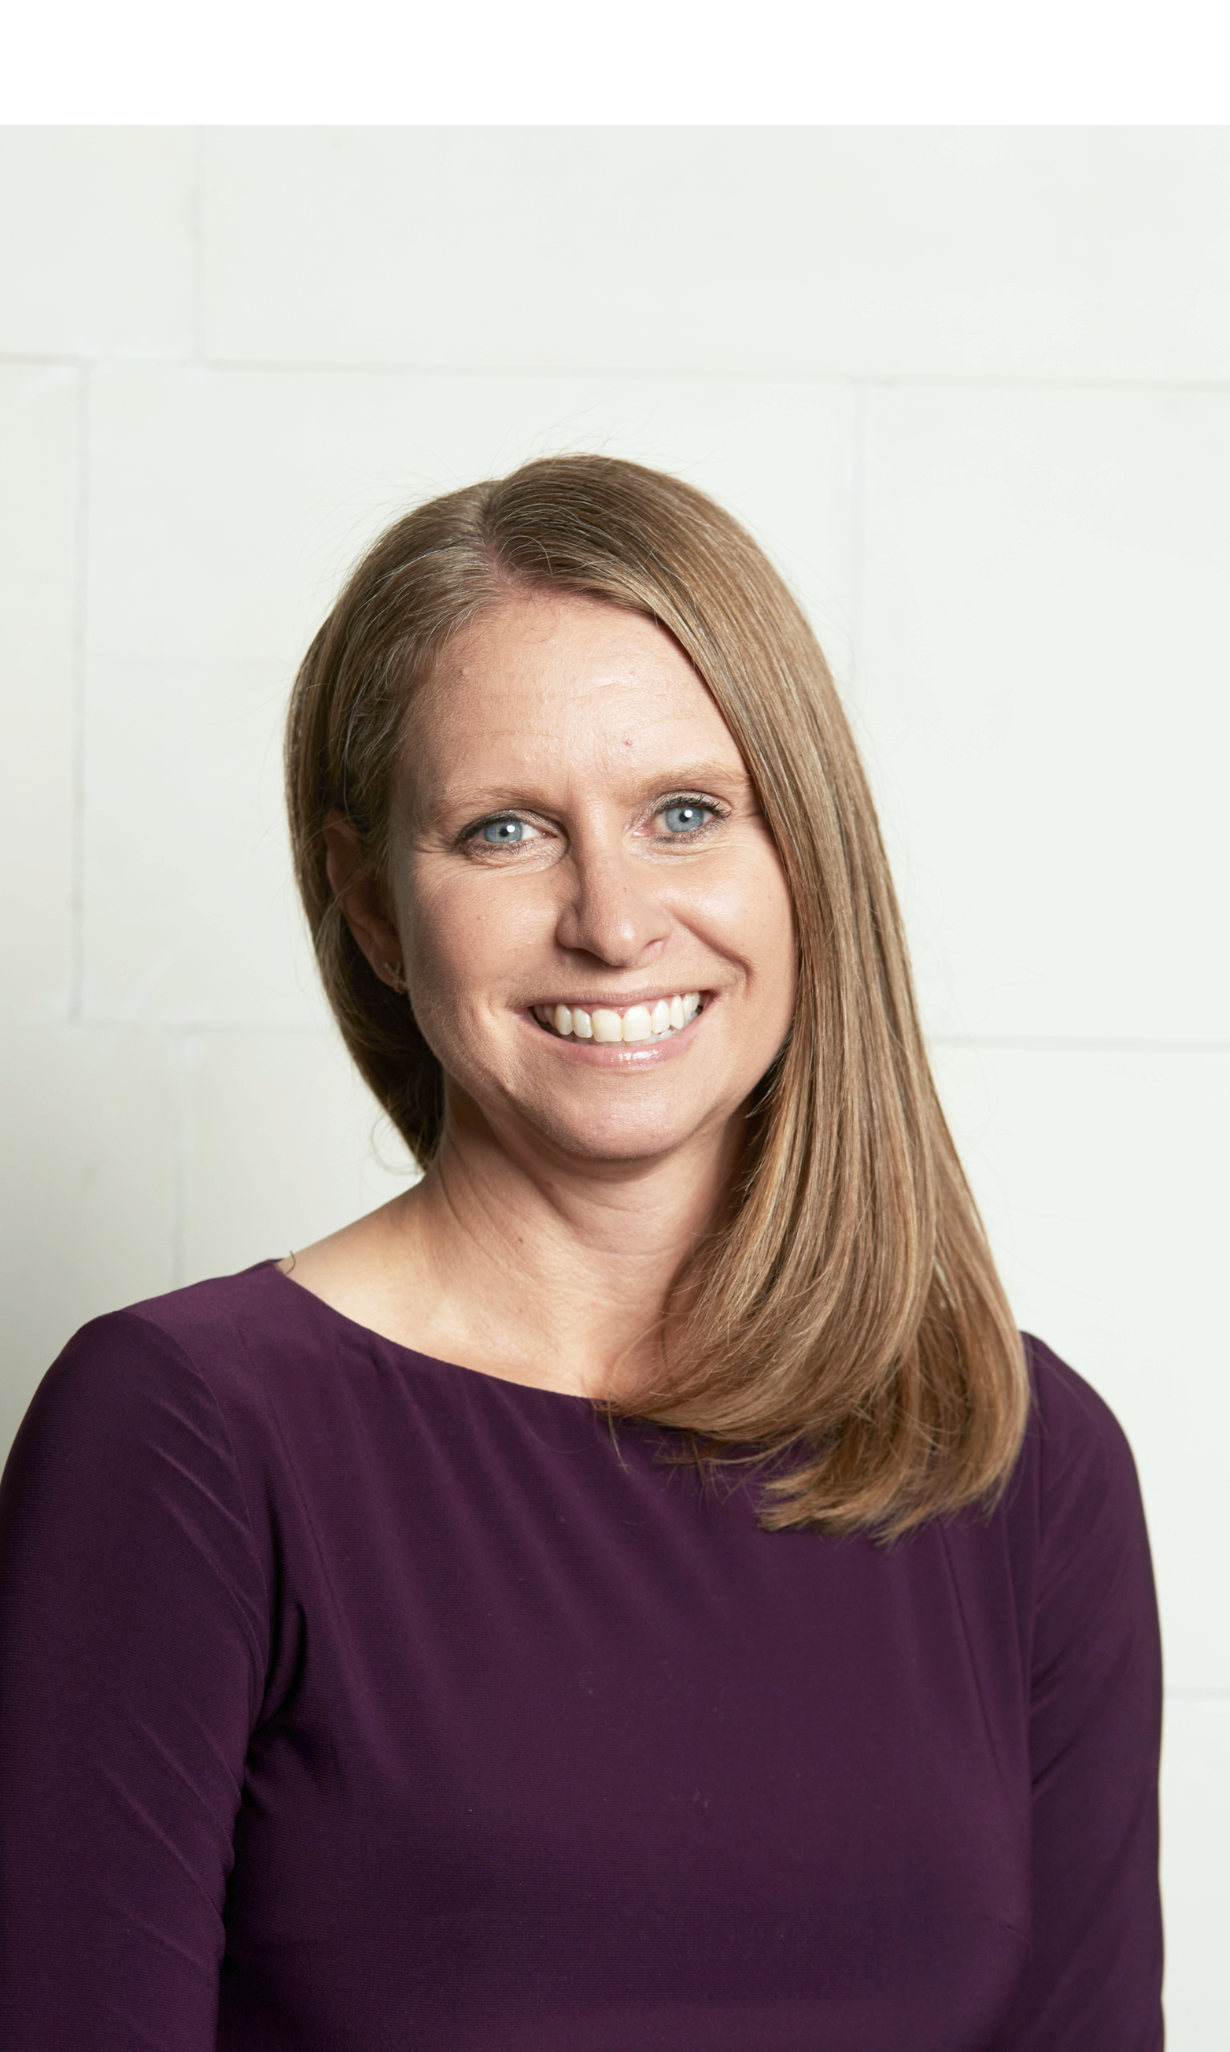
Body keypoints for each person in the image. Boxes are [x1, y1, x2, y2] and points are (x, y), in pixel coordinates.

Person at [0, 456, 1162, 2050]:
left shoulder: (1018, 1460)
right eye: (503, 833)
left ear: (803, 859)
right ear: (369, 902)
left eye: (686, 813)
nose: (612, 921)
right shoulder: (188, 1433)